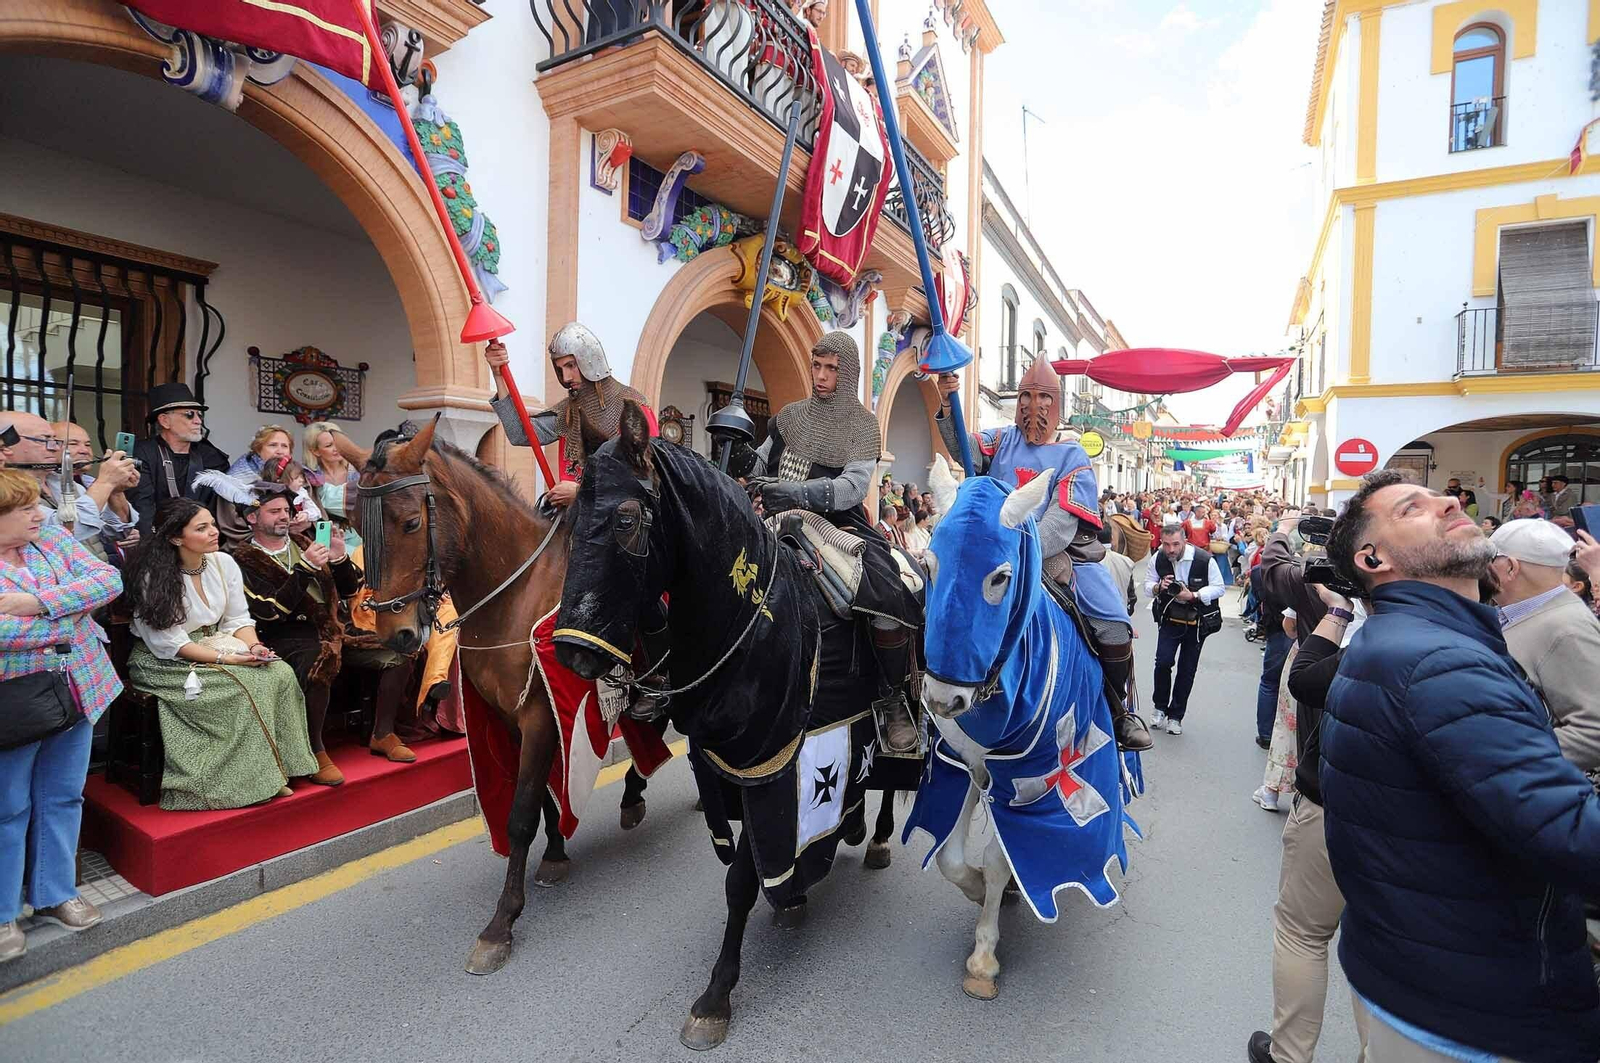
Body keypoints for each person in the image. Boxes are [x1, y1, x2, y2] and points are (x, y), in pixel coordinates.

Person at [1317, 469, 1600, 1063]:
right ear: (1373, 559)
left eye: (1440, 496)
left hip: (1434, 984)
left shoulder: (1415, 641)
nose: (1449, 501)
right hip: (1480, 1014)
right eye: (1411, 508)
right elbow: (1575, 836)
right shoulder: (1440, 660)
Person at [934, 358, 1152, 750]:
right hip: (992, 555)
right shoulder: (1001, 440)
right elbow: (962, 447)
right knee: (938, 597)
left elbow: (1059, 524)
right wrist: (948, 404)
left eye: (1043, 398)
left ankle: (1116, 709)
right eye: (1026, 397)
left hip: (1055, 555)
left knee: (1113, 627)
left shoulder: (1072, 457)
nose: (1033, 406)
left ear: (1056, 403)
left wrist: (1020, 550)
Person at [730, 331, 922, 752]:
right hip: (768, 519)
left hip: (835, 526)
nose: (820, 376)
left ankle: (891, 698)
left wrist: (796, 494)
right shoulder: (788, 418)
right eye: (816, 366)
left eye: (831, 369)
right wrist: (739, 451)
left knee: (887, 592)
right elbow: (759, 464)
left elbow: (853, 487)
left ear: (847, 373)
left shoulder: (861, 425)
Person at [123, 498, 319, 810]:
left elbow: (237, 619)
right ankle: (240, 783)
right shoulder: (153, 576)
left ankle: (278, 770)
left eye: (213, 524)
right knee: (242, 686)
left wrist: (254, 647)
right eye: (202, 528)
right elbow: (169, 643)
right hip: (163, 660)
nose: (214, 532)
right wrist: (227, 659)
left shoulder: (223, 563)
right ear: (176, 537)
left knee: (279, 672)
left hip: (216, 641)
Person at [0, 470, 123, 963]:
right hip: (16, 700)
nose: (40, 514)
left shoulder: (49, 537)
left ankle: (54, 893)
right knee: (7, 807)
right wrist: (72, 617)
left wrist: (37, 604)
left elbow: (108, 579)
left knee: (64, 795)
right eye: (26, 508)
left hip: (81, 686)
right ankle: (4, 911)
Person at [1246, 584, 1356, 1063]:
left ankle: (1290, 1056)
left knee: (1303, 933)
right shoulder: (1483, 637)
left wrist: (1338, 610)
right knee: (1379, 949)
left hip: (1338, 805)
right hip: (1414, 824)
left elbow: (1305, 678)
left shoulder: (1385, 640)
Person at [232, 487, 363, 786]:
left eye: (286, 510)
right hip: (284, 635)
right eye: (274, 511)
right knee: (318, 661)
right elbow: (269, 612)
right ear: (252, 518)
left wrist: (339, 558)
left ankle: (383, 732)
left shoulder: (305, 541)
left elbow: (350, 590)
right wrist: (305, 568)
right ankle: (316, 751)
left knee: (397, 649)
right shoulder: (242, 559)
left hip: (333, 627)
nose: (284, 516)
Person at [485, 327, 656, 507]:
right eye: (560, 369)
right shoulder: (567, 412)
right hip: (573, 515)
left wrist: (581, 493)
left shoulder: (633, 407)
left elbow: (647, 479)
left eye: (571, 365)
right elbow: (519, 433)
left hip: (617, 518)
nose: (566, 378)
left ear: (591, 360)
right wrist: (499, 375)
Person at [1487, 518, 1600, 773]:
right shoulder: (1531, 614)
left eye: (1489, 560)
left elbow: (1594, 730)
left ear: (1511, 567)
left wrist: (1504, 758)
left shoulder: (1566, 628)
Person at [0, 412, 139, 559]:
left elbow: (114, 533)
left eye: (55, 440)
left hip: (95, 571)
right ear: (8, 444)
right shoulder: (6, 489)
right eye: (44, 440)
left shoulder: (66, 484)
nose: (55, 448)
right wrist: (106, 482)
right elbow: (61, 533)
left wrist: (115, 491)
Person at [1142, 522, 1225, 736]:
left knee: (1187, 670)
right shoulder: (1158, 558)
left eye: (1175, 544)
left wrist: (1194, 595)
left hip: (1196, 623)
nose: (1171, 549)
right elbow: (1147, 587)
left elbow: (1219, 588)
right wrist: (1158, 587)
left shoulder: (1203, 559)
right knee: (1163, 662)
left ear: (1184, 542)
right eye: (1166, 544)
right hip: (1169, 619)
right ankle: (1160, 707)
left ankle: (1176, 716)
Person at [126, 383, 230, 535]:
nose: (198, 421)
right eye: (189, 414)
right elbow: (142, 506)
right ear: (165, 421)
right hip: (156, 539)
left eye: (199, 415)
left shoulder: (212, 457)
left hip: (203, 538)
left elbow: (220, 507)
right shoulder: (142, 453)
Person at [52, 421, 140, 557]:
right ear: (49, 447)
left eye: (87, 445)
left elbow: (118, 531)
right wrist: (107, 481)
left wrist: (116, 491)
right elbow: (67, 533)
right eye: (73, 444)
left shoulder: (89, 483)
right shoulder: (43, 485)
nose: (84, 450)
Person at [1249, 556, 1290, 751]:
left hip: (1278, 631)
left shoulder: (1261, 572)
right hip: (1296, 629)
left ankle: (1266, 734)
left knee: (1270, 682)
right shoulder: (1292, 573)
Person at [303, 421, 362, 552]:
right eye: (329, 445)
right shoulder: (308, 477)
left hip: (358, 535)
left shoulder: (359, 471)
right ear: (315, 451)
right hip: (325, 535)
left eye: (338, 443)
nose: (336, 448)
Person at [226, 424, 294, 479]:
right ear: (258, 449)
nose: (280, 451)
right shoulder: (240, 477)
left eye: (284, 446)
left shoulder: (292, 471)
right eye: (273, 445)